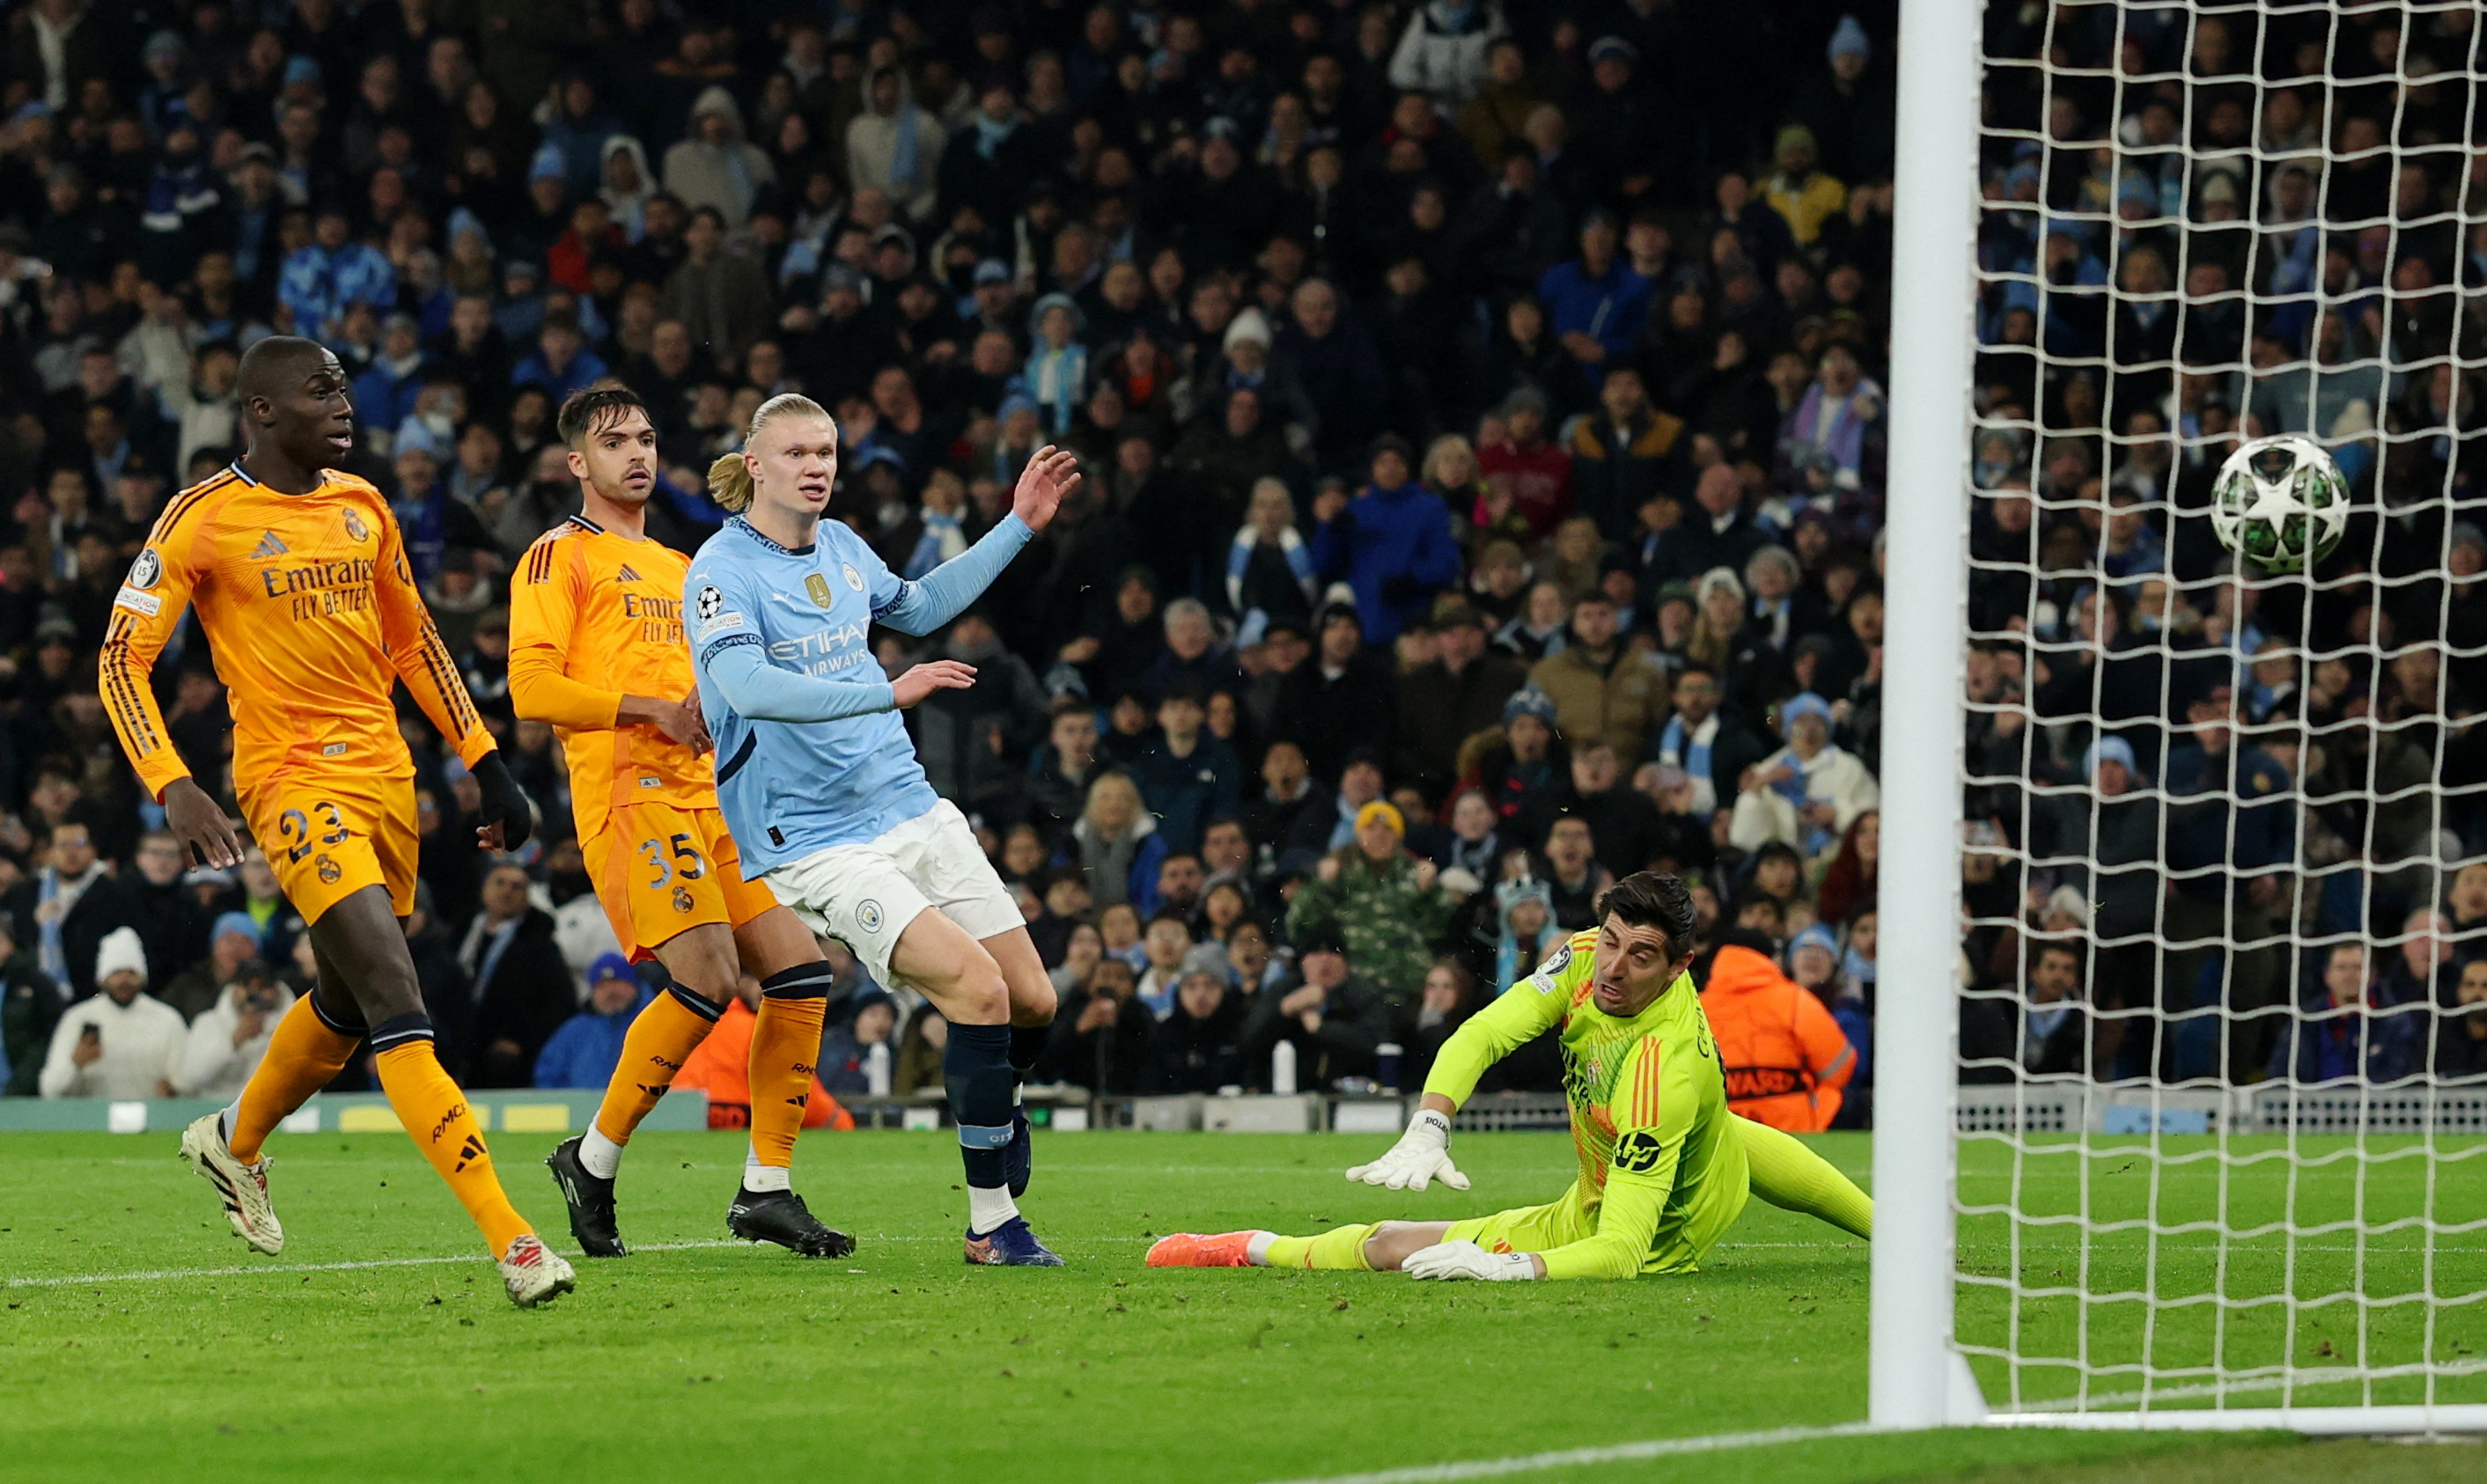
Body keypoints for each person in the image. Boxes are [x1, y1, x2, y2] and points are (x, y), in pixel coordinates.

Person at [97, 336, 568, 1307]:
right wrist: (173, 783)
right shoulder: (202, 517)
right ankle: (516, 1241)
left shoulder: (363, 505)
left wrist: (484, 760)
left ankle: (232, 1142)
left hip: (387, 782)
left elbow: (415, 640)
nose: (344, 404)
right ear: (262, 411)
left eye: (346, 386)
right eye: (320, 391)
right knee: (399, 1001)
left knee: (347, 1006)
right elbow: (118, 659)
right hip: (290, 781)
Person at [683, 393, 1078, 1266]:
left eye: (825, 450)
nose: (816, 466)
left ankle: (993, 1104)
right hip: (814, 841)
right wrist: (883, 689)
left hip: (907, 805)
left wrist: (1015, 525)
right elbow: (748, 689)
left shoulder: (841, 545)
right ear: (755, 466)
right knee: (975, 991)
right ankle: (990, 1225)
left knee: (1034, 1002)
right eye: (795, 453)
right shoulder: (720, 572)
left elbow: (919, 605)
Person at [511, 387, 850, 1259]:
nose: (637, 454)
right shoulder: (557, 558)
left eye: (648, 438)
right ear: (577, 464)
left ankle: (763, 1191)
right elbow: (532, 691)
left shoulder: (681, 566)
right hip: (633, 795)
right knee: (704, 979)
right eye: (614, 441)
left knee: (801, 974)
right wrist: (650, 712)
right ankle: (593, 1162)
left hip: (715, 796)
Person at [1149, 873, 1873, 1279]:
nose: (1613, 968)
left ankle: (1253, 1249)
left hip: (1652, 1235)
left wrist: (1514, 1269)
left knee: (1389, 1248)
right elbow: (1485, 1031)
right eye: (1611, 941)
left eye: (1640, 956)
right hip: (1594, 1193)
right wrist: (1432, 1121)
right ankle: (1246, 1245)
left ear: (1681, 965)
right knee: (1724, 1135)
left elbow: (1621, 1251)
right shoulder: (1585, 957)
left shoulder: (1660, 1069)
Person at [1697, 930, 1856, 1132]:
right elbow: (1840, 1065)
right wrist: (1819, 1106)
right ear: (1771, 958)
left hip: (1717, 1131)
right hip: (1792, 1131)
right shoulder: (1794, 1000)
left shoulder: (1696, 1007)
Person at [39, 927, 184, 1099]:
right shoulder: (77, 1018)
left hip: (155, 1121)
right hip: (91, 1122)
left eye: (131, 973)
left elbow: (187, 1083)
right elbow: (49, 1089)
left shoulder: (168, 1019)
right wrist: (75, 1064)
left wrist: (175, 1089)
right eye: (116, 973)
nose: (124, 980)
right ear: (102, 978)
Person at [176, 961, 293, 1102]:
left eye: (262, 987)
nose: (254, 994)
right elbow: (192, 1078)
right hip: (216, 1112)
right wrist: (233, 1042)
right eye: (246, 986)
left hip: (277, 1112)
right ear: (234, 988)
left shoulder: (296, 1026)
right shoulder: (208, 1023)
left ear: (277, 990)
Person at [532, 954, 651, 1092]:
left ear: (635, 984)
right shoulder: (574, 1032)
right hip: (584, 1111)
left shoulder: (657, 1023)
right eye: (602, 986)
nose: (610, 991)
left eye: (618, 982)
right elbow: (548, 1078)